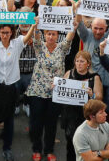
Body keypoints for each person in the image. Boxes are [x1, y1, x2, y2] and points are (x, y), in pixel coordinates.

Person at [0, 16, 38, 161]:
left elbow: (27, 37)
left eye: (7, 32)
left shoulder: (17, 43)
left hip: (11, 85)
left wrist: (34, 25)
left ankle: (7, 148)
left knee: (9, 119)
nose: (5, 35)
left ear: (12, 32)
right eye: (2, 32)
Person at [27, 20, 79, 161]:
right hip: (37, 92)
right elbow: (36, 36)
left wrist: (74, 28)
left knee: (51, 123)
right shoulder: (39, 47)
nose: (50, 36)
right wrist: (35, 26)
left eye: (53, 34)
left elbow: (69, 38)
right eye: (48, 34)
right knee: (36, 123)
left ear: (57, 36)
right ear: (45, 35)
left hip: (55, 93)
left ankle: (49, 150)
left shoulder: (62, 48)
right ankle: (37, 149)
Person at [65, 50, 104, 161]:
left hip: (87, 117)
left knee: (86, 147)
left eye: (82, 61)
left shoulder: (94, 77)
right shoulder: (69, 74)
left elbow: (99, 98)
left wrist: (92, 95)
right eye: (77, 61)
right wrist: (55, 86)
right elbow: (61, 91)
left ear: (88, 63)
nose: (79, 64)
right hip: (70, 116)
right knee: (71, 146)